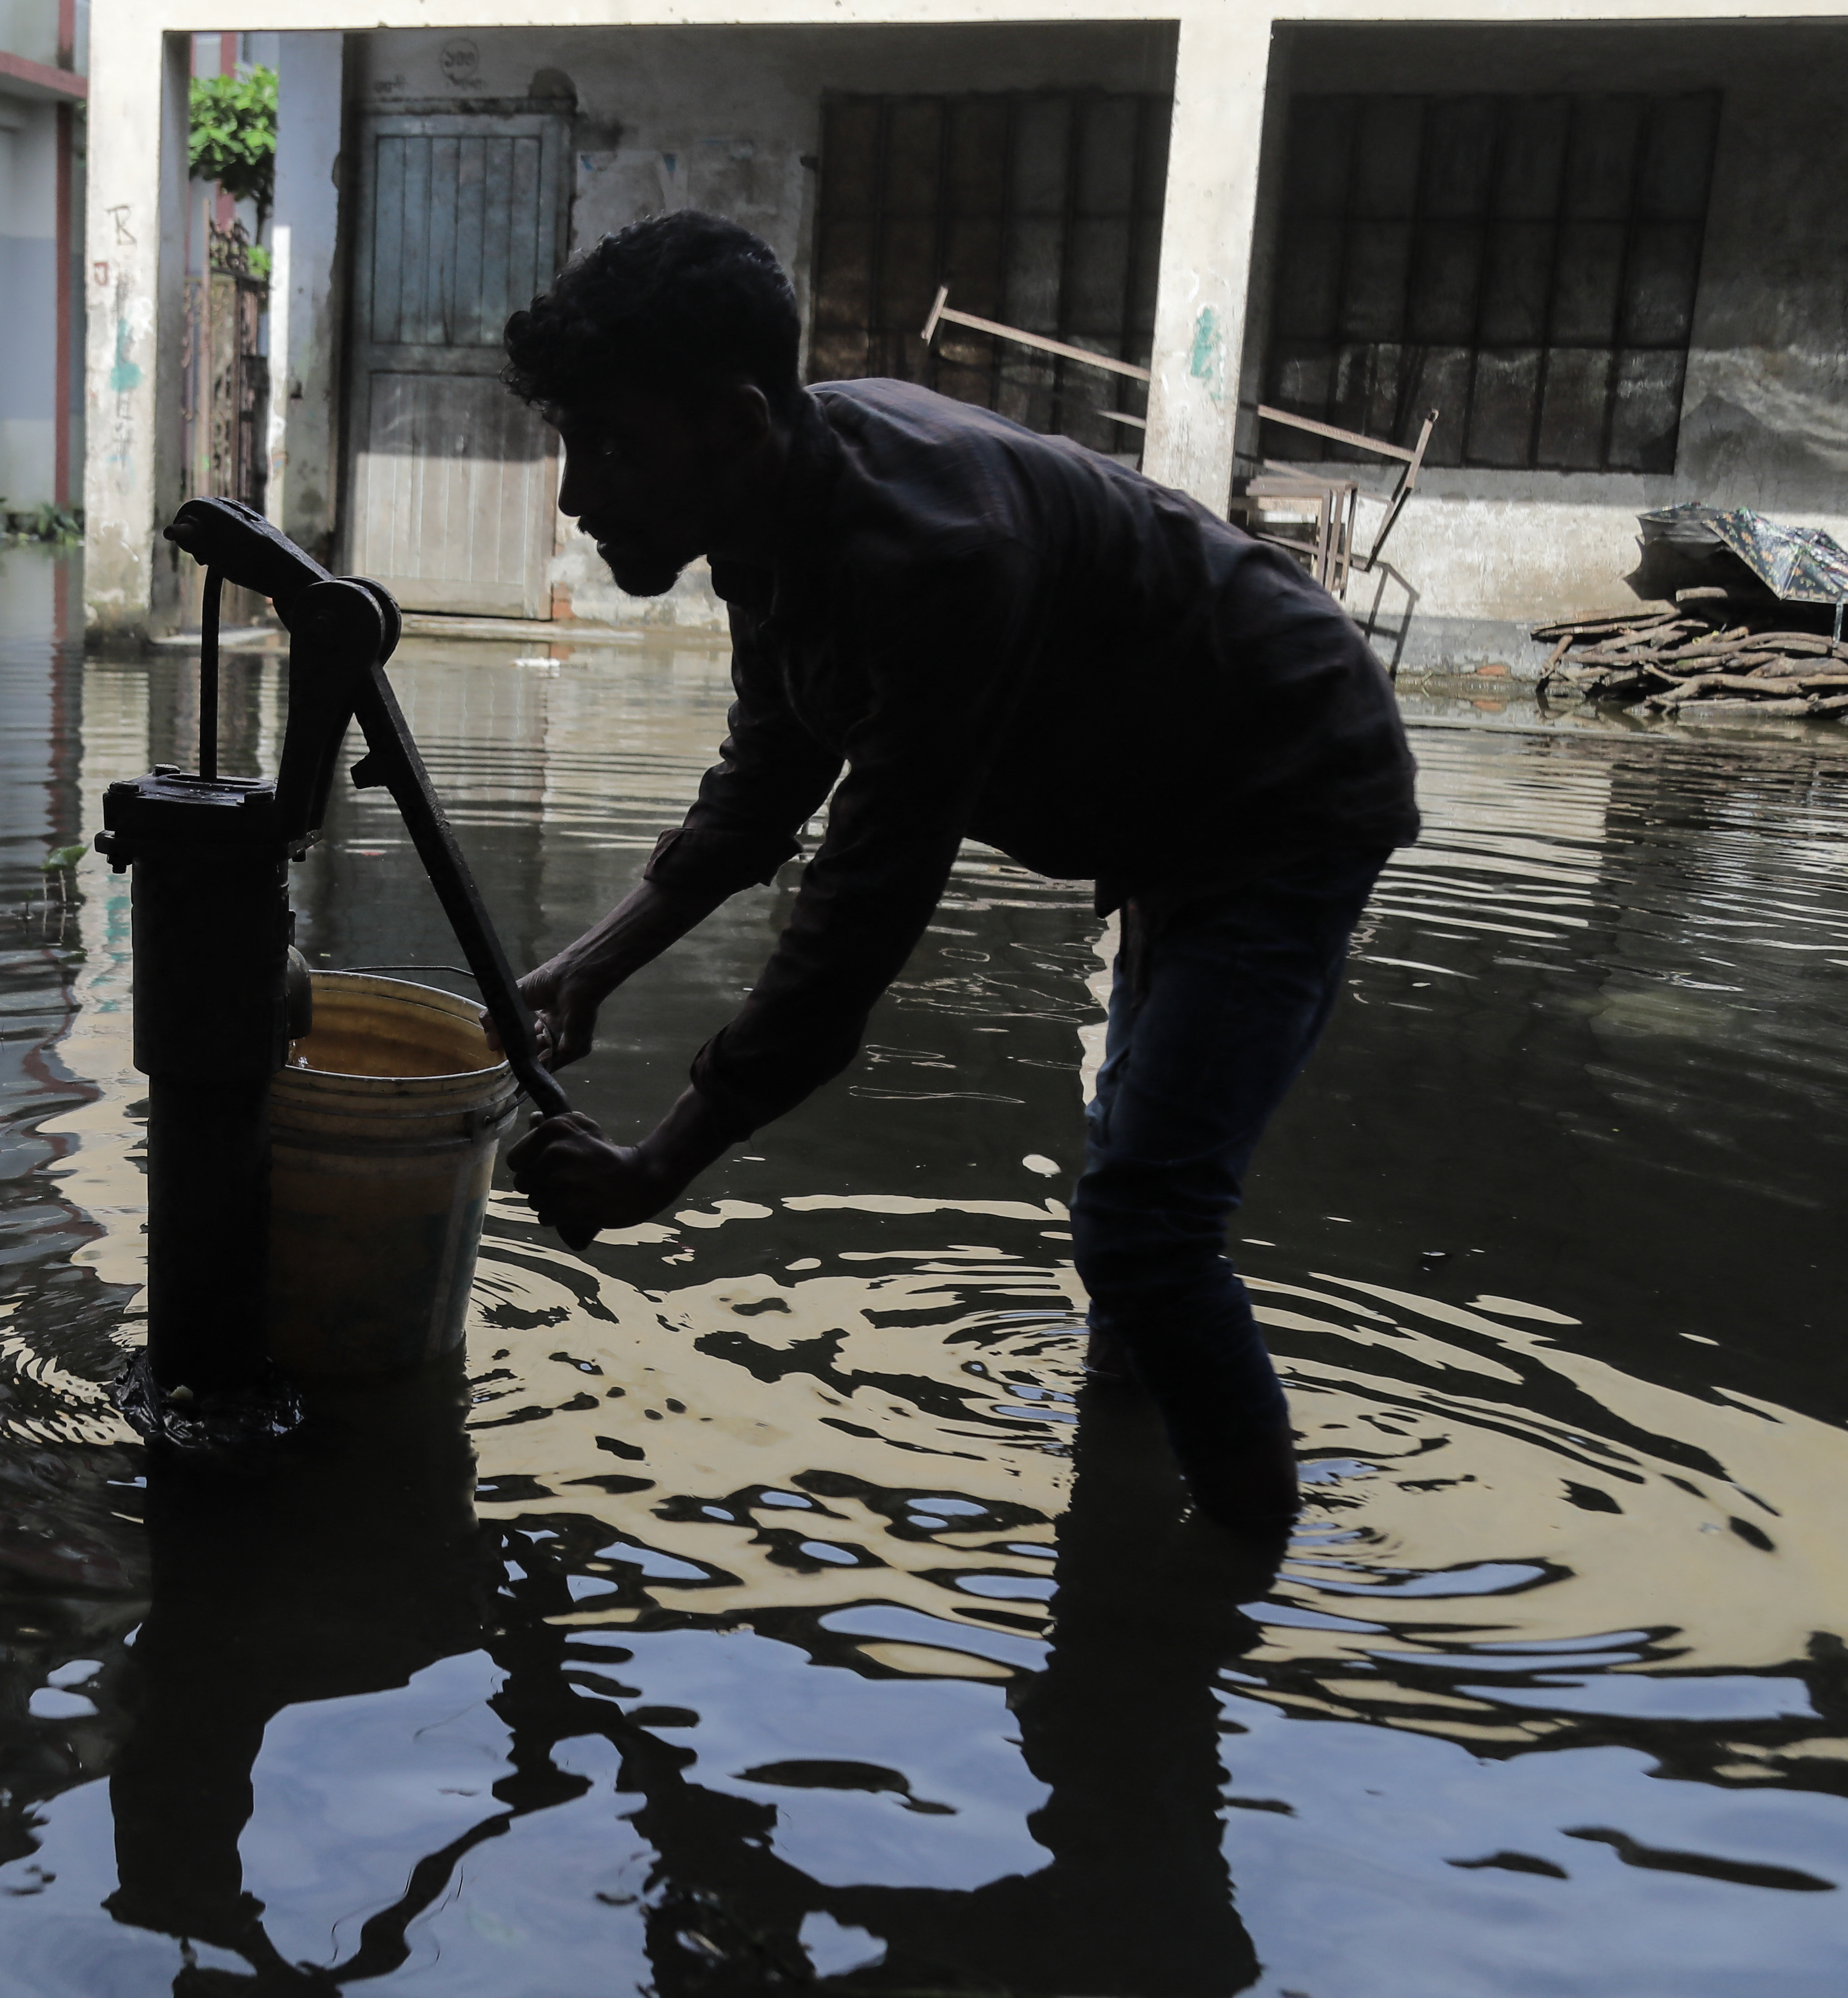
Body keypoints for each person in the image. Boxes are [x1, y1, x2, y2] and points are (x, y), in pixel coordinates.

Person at [500, 212, 1419, 1538]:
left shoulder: (932, 555)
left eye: (613, 447)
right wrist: (591, 965)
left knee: (1150, 1226)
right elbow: (768, 780)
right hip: (1170, 795)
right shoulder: (763, 521)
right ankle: (1121, 1528)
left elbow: (855, 925)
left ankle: (1232, 1601)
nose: (580, 492)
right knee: (1134, 1221)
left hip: (1284, 775)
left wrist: (659, 1164)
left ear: (741, 427)